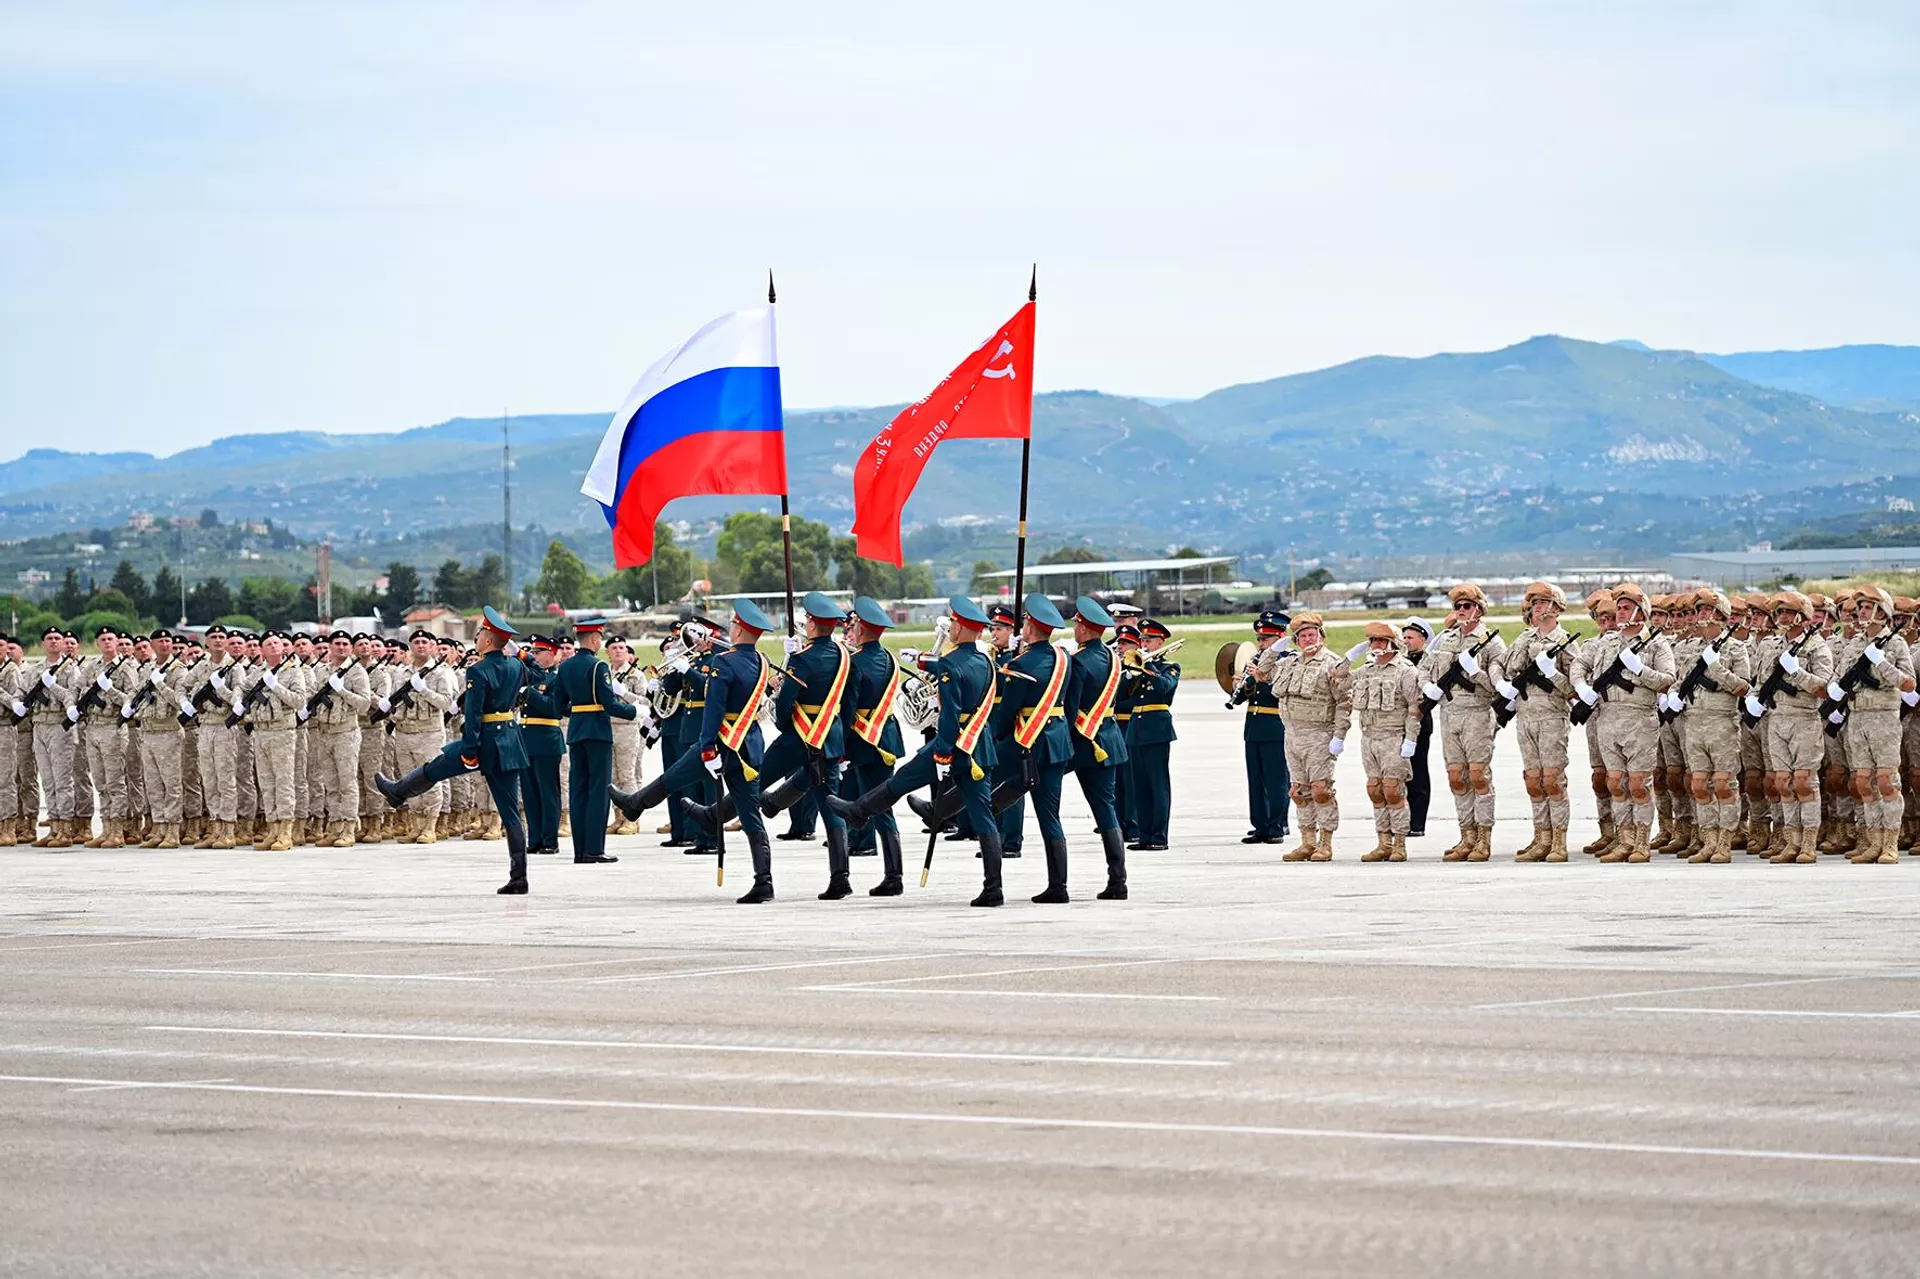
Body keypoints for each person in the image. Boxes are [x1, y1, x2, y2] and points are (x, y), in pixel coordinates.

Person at [829, 595, 1007, 907]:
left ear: (964, 627)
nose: (950, 626)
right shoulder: (985, 662)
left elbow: (950, 716)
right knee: (983, 819)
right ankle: (994, 887)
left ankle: (858, 812)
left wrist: (941, 754)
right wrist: (924, 661)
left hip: (951, 747)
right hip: (980, 749)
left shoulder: (952, 665)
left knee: (899, 783)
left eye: (953, 622)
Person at [687, 592, 856, 898]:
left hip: (798, 738)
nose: (805, 623)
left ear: (815, 625)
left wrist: (784, 719)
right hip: (830, 738)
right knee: (829, 804)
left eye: (808, 621)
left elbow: (786, 700)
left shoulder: (803, 659)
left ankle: (714, 816)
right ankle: (840, 876)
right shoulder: (844, 656)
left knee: (752, 786)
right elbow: (846, 703)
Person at [611, 601, 779, 902]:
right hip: (749, 747)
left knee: (672, 778)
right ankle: (763, 880)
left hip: (723, 743)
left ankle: (635, 804)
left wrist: (707, 748)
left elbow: (714, 711)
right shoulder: (763, 662)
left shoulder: (723, 663)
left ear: (738, 629)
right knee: (750, 813)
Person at [377, 607, 533, 893]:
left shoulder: (478, 669)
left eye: (481, 634)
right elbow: (538, 673)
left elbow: (473, 716)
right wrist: (522, 653)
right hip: (509, 741)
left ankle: (398, 792)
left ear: (488, 640)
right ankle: (519, 877)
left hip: (483, 742)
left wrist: (470, 751)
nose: (477, 638)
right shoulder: (516, 666)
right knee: (510, 812)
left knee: (437, 767)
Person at [1573, 582, 1676, 863]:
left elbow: (1668, 680)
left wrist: (1640, 669)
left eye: (1625, 607)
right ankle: (1624, 839)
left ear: (1640, 611)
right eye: (1618, 607)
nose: (1619, 612)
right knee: (1616, 782)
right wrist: (1581, 687)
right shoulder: (1606, 642)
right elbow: (1578, 664)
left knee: (1639, 783)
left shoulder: (1656, 643)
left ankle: (1642, 841)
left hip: (1639, 719)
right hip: (1608, 718)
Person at [1418, 584, 1508, 862]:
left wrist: (1476, 673)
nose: (1460, 611)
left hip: (1478, 714)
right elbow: (1423, 668)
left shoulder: (1492, 642)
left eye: (1466, 606)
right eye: (1457, 607)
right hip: (1449, 714)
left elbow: (1498, 686)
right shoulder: (1446, 640)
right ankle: (1466, 836)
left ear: (1479, 610)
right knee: (1457, 778)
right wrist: (1427, 687)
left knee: (1478, 776)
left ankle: (1483, 839)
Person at [1496, 582, 1576, 863]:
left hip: (1552, 717)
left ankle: (1558, 841)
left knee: (1553, 780)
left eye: (1542, 602)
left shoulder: (1566, 642)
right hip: (1526, 716)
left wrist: (1551, 673)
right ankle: (1541, 837)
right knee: (1533, 780)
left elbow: (1574, 689)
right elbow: (1499, 663)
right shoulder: (1524, 639)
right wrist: (1501, 683)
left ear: (1556, 607)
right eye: (1534, 603)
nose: (1536, 607)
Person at [1672, 590, 1751, 864]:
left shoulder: (1735, 649)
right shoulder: (1691, 648)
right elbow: (1679, 680)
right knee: (1699, 785)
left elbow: (1743, 686)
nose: (1701, 615)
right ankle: (1709, 840)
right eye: (1700, 610)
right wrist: (1672, 693)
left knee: (1724, 785)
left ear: (1721, 615)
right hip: (1694, 722)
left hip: (1722, 722)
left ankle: (1725, 843)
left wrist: (1715, 667)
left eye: (1707, 610)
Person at [1063, 597, 1130, 898]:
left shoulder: (1078, 663)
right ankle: (1118, 880)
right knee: (1107, 810)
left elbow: (1070, 709)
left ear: (1086, 628)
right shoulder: (1113, 658)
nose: (1075, 628)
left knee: (1026, 781)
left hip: (1083, 742)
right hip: (1109, 739)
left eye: (1078, 624)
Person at [1272, 612, 1352, 862]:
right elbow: (1262, 674)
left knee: (1321, 790)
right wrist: (1274, 650)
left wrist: (1339, 736)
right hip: (1292, 733)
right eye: (1302, 636)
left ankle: (1325, 843)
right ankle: (1307, 841)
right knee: (1299, 791)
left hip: (1319, 734)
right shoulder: (1289, 663)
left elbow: (1344, 702)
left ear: (1321, 635)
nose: (1308, 639)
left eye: (1312, 634)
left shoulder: (1332, 664)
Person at [555, 615, 634, 865]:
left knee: (578, 791)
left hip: (576, 732)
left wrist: (578, 710)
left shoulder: (565, 667)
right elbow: (609, 703)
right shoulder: (599, 667)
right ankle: (594, 849)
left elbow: (558, 707)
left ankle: (580, 851)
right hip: (598, 733)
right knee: (598, 791)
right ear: (594, 638)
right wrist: (634, 712)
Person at [377, 628, 460, 844]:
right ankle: (415, 824)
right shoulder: (402, 673)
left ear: (432, 646)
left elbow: (446, 703)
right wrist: (387, 707)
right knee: (408, 779)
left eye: (425, 641)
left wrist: (423, 690)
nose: (420, 645)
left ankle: (430, 826)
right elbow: (394, 702)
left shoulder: (442, 672)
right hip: (404, 732)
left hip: (429, 732)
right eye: (416, 642)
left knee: (431, 779)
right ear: (411, 647)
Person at [1350, 621, 1422, 861]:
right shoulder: (1367, 670)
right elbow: (1337, 677)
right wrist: (1352, 655)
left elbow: (1415, 708)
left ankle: (1399, 843)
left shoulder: (1406, 671)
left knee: (1393, 790)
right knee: (1375, 790)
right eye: (1372, 641)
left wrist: (1410, 739)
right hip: (1369, 737)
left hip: (1393, 737)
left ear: (1394, 643)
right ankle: (1383, 842)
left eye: (1381, 640)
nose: (1376, 645)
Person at [1125, 618, 1179, 851]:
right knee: (1140, 786)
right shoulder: (1137, 668)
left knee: (1158, 784)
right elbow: (1121, 697)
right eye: (1142, 640)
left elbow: (1164, 687)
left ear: (1161, 642)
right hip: (1135, 730)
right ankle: (1144, 835)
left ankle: (1159, 836)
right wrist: (1129, 673)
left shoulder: (1170, 667)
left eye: (1149, 640)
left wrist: (1150, 666)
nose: (1144, 644)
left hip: (1157, 729)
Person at [1240, 610, 1292, 845]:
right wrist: (1243, 682)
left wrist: (1263, 678)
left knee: (1276, 780)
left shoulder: (1289, 660)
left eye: (1266, 639)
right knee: (1256, 779)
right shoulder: (1255, 661)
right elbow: (1242, 697)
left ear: (1280, 637)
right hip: (1254, 727)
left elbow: (1283, 692)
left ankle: (1277, 825)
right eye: (1259, 639)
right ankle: (1259, 825)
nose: (1260, 643)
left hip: (1275, 726)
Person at [518, 634, 567, 857]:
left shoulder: (558, 679)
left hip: (547, 739)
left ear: (553, 654)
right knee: (530, 793)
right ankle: (535, 838)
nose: (535, 656)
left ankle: (550, 839)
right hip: (526, 739)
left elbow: (555, 709)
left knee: (548, 793)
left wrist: (530, 694)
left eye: (539, 652)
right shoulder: (530, 677)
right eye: (533, 652)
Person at [1399, 618, 1434, 837]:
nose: (1406, 642)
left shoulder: (1429, 660)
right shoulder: (1401, 661)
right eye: (1404, 638)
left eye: (1410, 638)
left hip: (1420, 722)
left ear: (1423, 639)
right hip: (1398, 722)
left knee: (1418, 772)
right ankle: (1402, 819)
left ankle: (1417, 822)